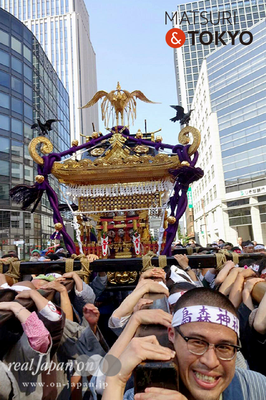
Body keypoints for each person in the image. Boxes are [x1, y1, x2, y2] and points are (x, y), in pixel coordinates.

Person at [102, 288, 266, 400]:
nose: (210, 361)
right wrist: (115, 380)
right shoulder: (146, 394)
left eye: (224, 347)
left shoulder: (255, 388)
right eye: (197, 342)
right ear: (172, 335)